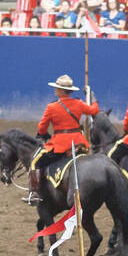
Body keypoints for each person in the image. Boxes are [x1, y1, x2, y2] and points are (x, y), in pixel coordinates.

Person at [28, 73, 100, 205]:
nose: (55, 90)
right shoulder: (79, 103)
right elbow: (94, 110)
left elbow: (42, 127)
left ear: (61, 91)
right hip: (79, 143)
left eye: (56, 88)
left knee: (35, 163)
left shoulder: (52, 107)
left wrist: (43, 134)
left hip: (60, 145)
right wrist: (91, 95)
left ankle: (34, 193)